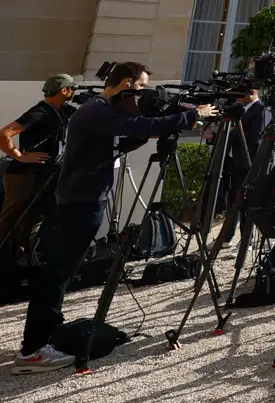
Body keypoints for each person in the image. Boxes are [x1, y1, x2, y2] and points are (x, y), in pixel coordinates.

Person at [14, 62, 216, 374]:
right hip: (80, 202)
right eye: (139, 86)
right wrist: (193, 114)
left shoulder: (102, 109)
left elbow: (130, 132)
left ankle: (49, 332)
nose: (141, 94)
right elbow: (141, 128)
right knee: (56, 274)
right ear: (125, 83)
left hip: (82, 199)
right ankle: (33, 352)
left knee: (61, 272)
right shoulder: (97, 110)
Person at [0, 76, 75, 266]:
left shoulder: (62, 111)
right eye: (72, 88)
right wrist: (19, 155)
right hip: (23, 175)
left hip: (44, 175)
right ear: (63, 90)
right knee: (11, 220)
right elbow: (4, 134)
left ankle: (18, 262)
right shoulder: (40, 112)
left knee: (33, 220)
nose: (75, 91)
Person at [213, 87, 268, 247]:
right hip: (232, 160)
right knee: (232, 201)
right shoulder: (237, 109)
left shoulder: (261, 109)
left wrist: (233, 132)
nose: (236, 98)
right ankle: (225, 237)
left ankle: (246, 239)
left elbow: (256, 136)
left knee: (246, 201)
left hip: (248, 162)